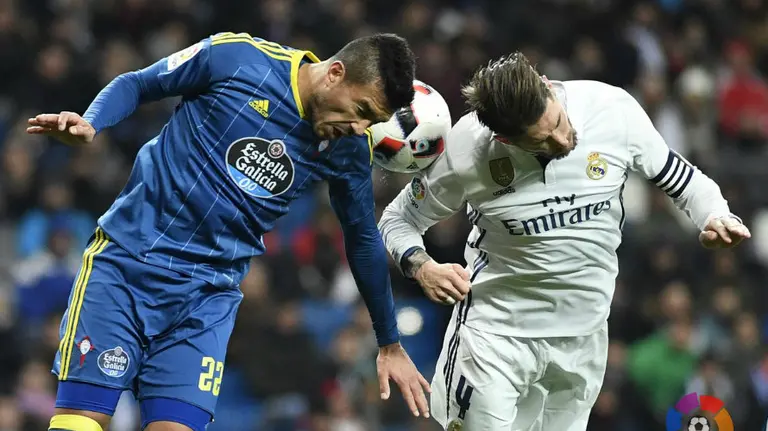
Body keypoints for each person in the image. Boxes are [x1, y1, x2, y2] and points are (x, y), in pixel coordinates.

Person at [27, 32, 431, 431]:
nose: (360, 127)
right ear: (335, 73)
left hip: (206, 298)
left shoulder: (349, 148)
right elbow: (138, 83)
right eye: (361, 109)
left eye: (372, 122)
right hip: (129, 265)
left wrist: (389, 342)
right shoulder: (238, 59)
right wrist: (92, 122)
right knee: (84, 420)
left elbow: (362, 239)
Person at [377, 52, 751, 430]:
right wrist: (422, 266)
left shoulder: (611, 110)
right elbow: (397, 220)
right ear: (504, 139)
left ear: (546, 86)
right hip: (496, 336)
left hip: (582, 338)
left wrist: (715, 215)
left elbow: (683, 179)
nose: (561, 140)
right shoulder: (468, 150)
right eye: (541, 141)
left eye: (557, 121)